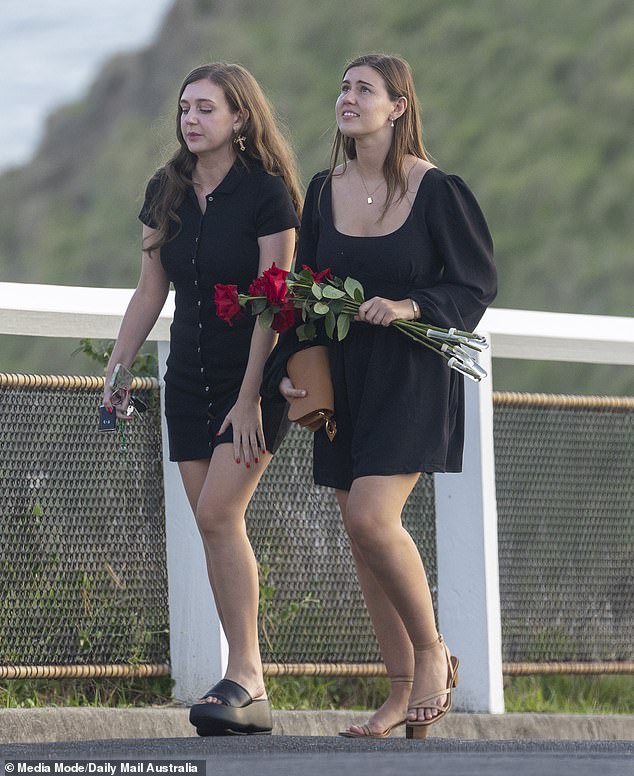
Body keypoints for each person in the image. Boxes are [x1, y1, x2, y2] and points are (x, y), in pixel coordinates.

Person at [268, 53, 496, 738]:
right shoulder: (322, 188)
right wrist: (290, 364)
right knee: (359, 531)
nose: (348, 97)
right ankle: (400, 691)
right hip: (343, 378)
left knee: (372, 517)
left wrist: (410, 305)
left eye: (364, 89)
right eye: (342, 86)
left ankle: (433, 656)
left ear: (398, 106)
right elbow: (304, 291)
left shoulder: (437, 190)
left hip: (411, 377)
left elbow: (475, 285)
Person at [103, 62, 301, 736]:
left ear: (240, 119)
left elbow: (276, 299)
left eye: (207, 109)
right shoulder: (167, 190)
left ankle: (244, 673)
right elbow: (150, 287)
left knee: (219, 514)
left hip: (251, 376)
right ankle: (250, 684)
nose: (191, 119)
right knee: (215, 527)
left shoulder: (267, 194)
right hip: (185, 381)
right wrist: (119, 364)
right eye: (185, 107)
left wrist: (249, 399)